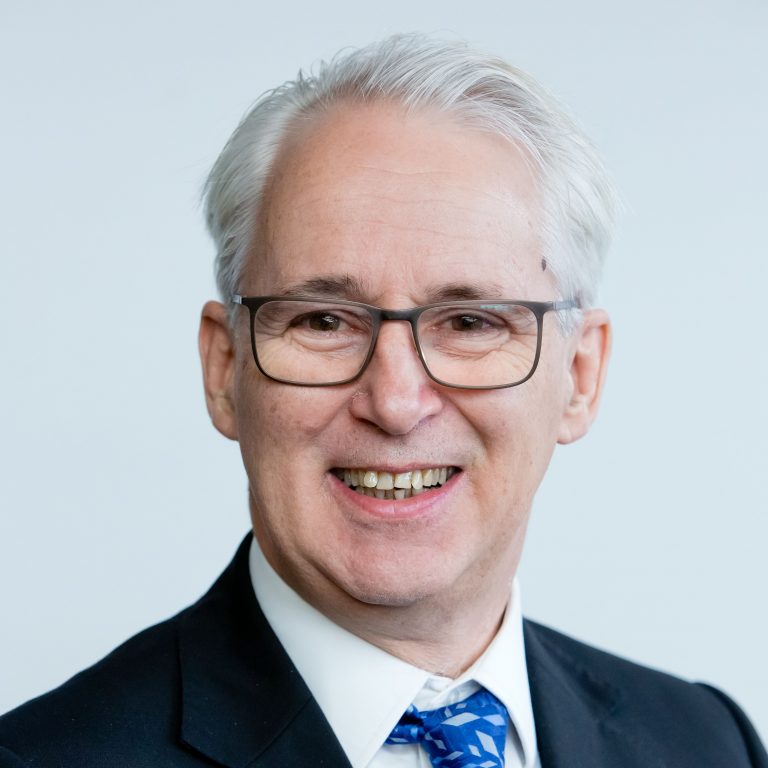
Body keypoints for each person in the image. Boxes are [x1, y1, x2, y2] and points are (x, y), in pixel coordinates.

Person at [0, 33, 765, 768]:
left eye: (470, 323)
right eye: (324, 321)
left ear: (580, 376)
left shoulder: (709, 744)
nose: (396, 403)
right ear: (224, 368)